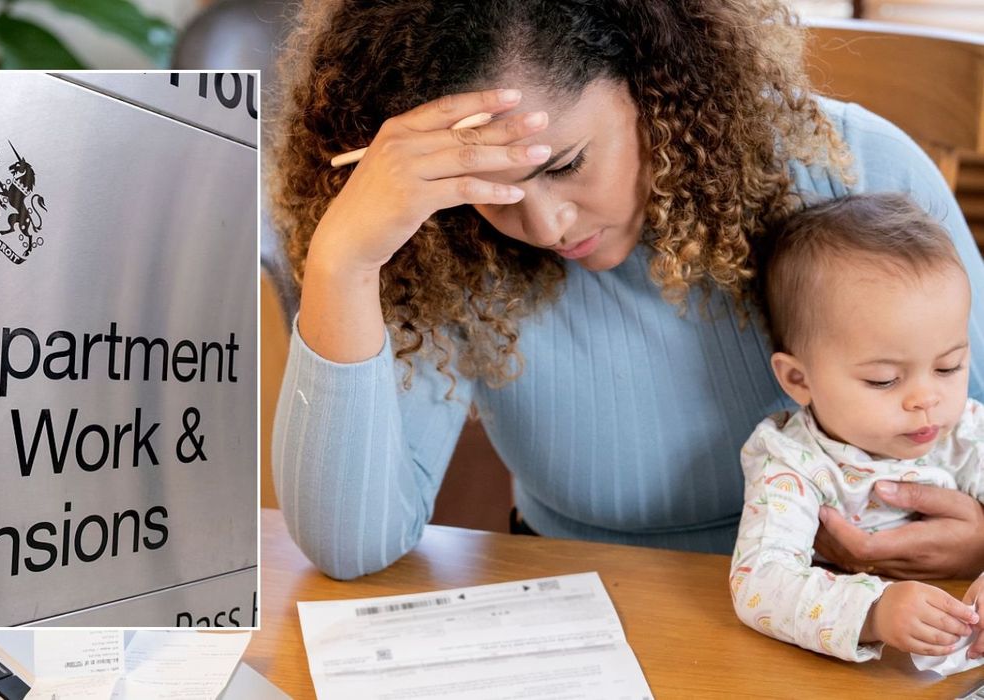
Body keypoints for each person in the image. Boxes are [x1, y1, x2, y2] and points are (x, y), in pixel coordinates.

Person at [268, 0, 984, 607]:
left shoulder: (857, 172)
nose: (544, 225)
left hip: (853, 615)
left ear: (652, 81)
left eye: (566, 164)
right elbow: (349, 547)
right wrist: (344, 263)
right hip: (594, 611)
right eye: (489, 185)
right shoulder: (443, 244)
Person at [730, 193, 984, 662]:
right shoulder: (791, 461)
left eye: (948, 367)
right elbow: (760, 582)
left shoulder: (965, 429)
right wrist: (872, 612)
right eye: (884, 379)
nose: (926, 399)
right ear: (798, 380)